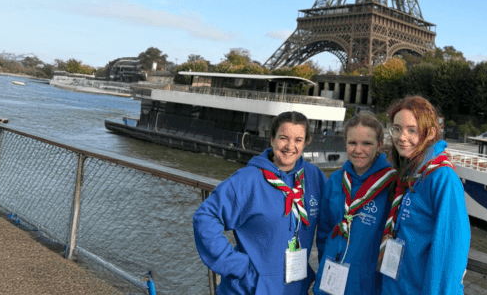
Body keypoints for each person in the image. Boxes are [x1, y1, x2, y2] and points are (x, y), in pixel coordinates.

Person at [193, 111, 326, 295]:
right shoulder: (248, 180)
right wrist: (239, 267)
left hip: (294, 288)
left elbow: (333, 220)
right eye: (283, 138)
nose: (290, 146)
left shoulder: (314, 177)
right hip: (249, 289)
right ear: (272, 140)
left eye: (298, 140)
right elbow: (205, 218)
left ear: (306, 142)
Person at [379, 96, 470, 295]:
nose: (402, 137)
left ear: (429, 133)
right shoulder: (409, 173)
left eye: (412, 130)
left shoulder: (443, 178)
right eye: (397, 128)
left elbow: (450, 253)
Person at [313, 113, 395, 295]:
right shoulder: (336, 180)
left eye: (367, 143)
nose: (358, 150)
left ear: (379, 144)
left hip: (366, 285)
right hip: (329, 281)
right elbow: (324, 232)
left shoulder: (391, 185)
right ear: (345, 143)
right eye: (352, 143)